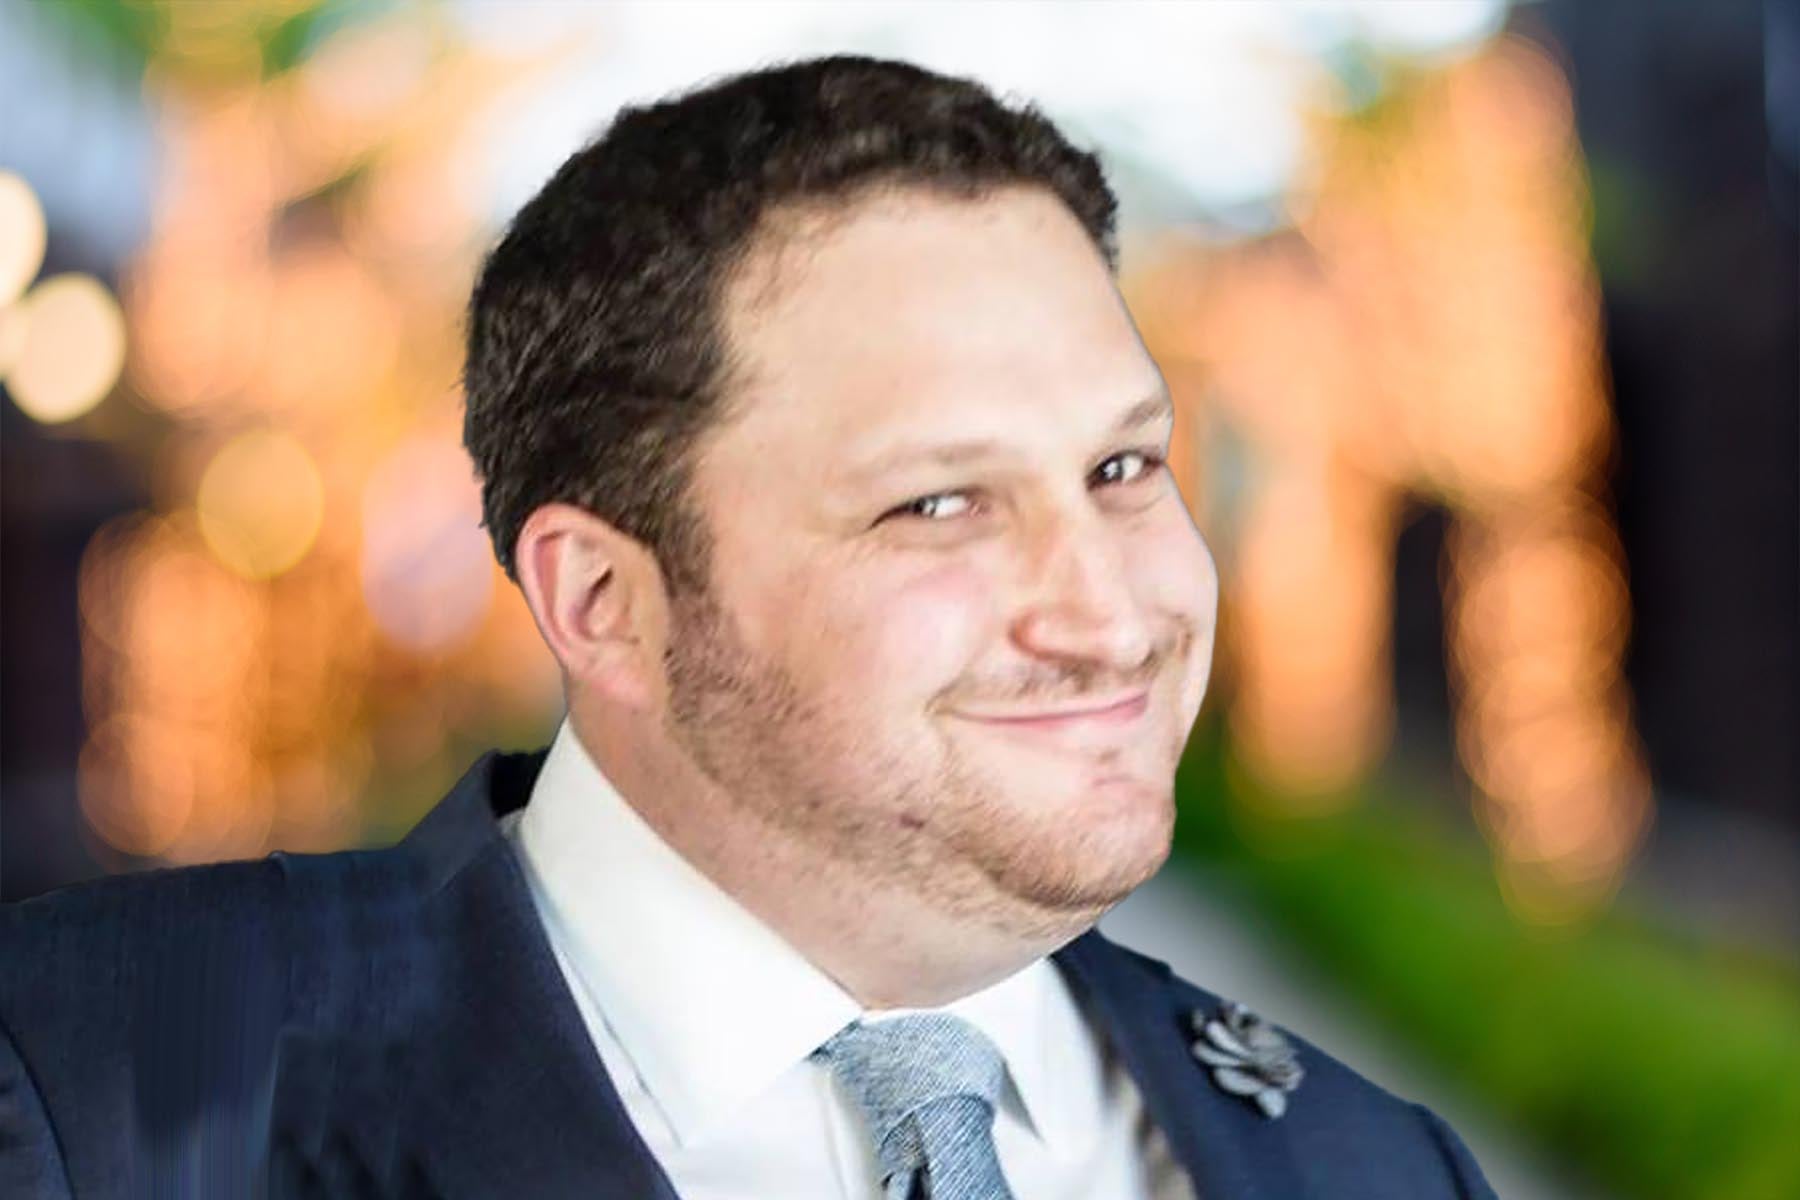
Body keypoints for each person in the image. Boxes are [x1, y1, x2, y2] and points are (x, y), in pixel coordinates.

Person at [0, 55, 1495, 1199]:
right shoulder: (83, 1088)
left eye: (1123, 468)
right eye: (938, 504)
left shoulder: (1376, 1165)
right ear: (603, 601)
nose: (1111, 613)